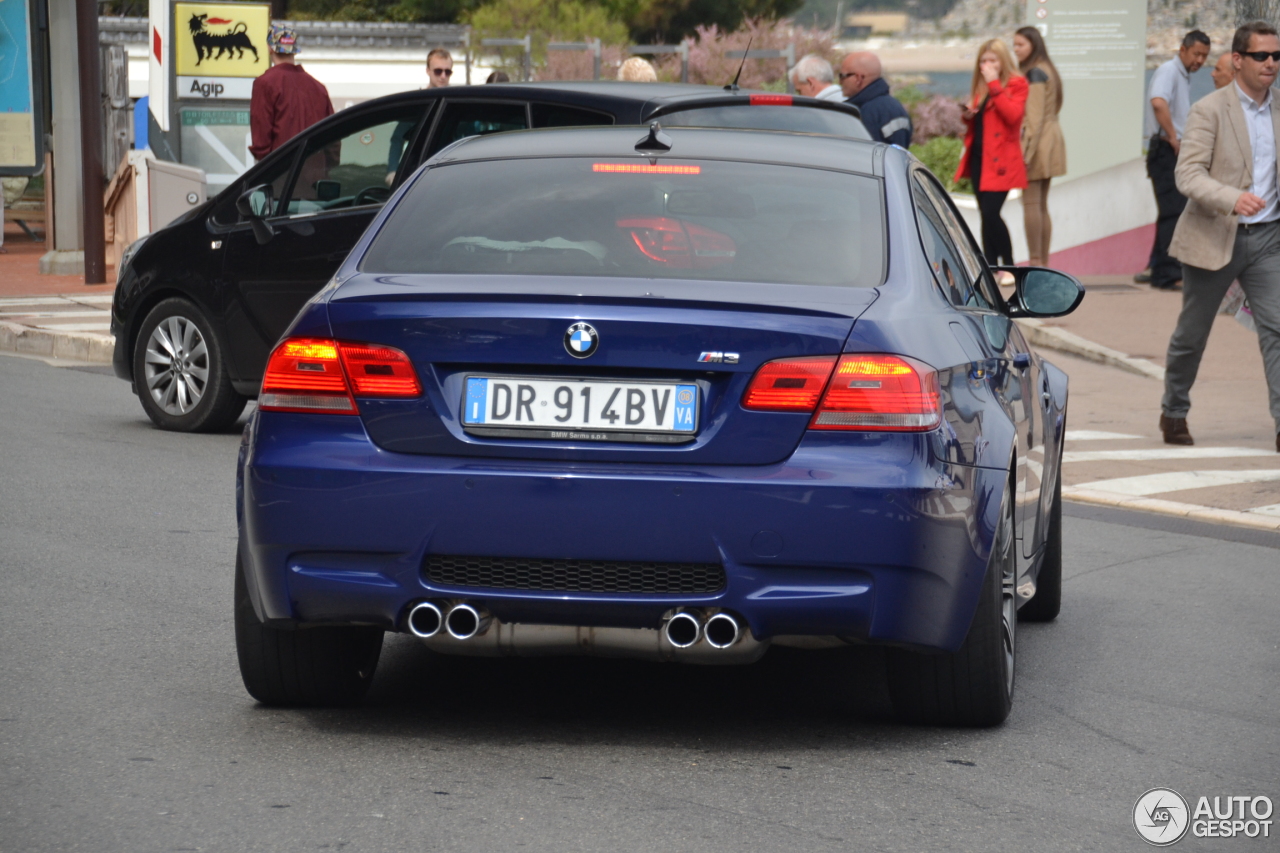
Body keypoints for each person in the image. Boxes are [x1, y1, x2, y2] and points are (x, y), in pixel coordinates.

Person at [1162, 21, 1280, 452]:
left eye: (1277, 56)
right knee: (1192, 334)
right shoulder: (1209, 109)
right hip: (1214, 235)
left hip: (1269, 239)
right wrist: (1232, 198)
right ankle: (1173, 411)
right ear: (1238, 60)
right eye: (1262, 56)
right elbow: (1187, 174)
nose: (1271, 64)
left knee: (1278, 328)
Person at [1143, 30, 1212, 291]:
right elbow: (1159, 102)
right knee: (1174, 211)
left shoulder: (1181, 74)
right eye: (1196, 54)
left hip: (1168, 147)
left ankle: (1155, 265)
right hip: (1165, 148)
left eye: (1204, 56)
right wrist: (1173, 137)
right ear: (1182, 50)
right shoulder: (1169, 71)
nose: (1200, 60)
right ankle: (1166, 275)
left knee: (1172, 209)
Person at [955, 39, 1027, 277]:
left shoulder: (1016, 84)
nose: (987, 65)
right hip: (980, 158)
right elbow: (982, 121)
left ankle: (1008, 266)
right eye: (983, 61)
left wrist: (994, 84)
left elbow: (1012, 116)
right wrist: (968, 115)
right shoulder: (981, 87)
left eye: (992, 60)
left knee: (991, 212)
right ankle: (990, 265)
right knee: (984, 213)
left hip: (1001, 161)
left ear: (1003, 61)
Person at [1013, 27, 1066, 268]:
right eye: (1014, 45)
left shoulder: (1035, 73)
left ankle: (1035, 261)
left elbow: (1033, 120)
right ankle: (1042, 261)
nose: (1016, 50)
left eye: (1020, 45)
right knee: (1042, 204)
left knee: (1032, 203)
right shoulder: (1049, 69)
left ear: (1033, 45)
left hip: (1039, 142)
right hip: (1053, 138)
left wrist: (1025, 153)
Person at [249, 24, 333, 162]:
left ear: (270, 48)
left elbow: (261, 142)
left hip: (281, 175)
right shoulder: (319, 88)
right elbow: (333, 139)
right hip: (316, 176)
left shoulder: (265, 84)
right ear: (294, 50)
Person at [386, 48, 454, 185]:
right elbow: (397, 138)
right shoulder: (418, 103)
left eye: (447, 72)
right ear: (428, 71)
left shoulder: (457, 104)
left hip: (450, 172)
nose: (443, 76)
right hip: (419, 174)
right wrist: (392, 171)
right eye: (438, 71)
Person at [839, 52, 912, 146]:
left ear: (858, 78)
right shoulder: (897, 107)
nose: (840, 82)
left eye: (842, 76)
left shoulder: (865, 113)